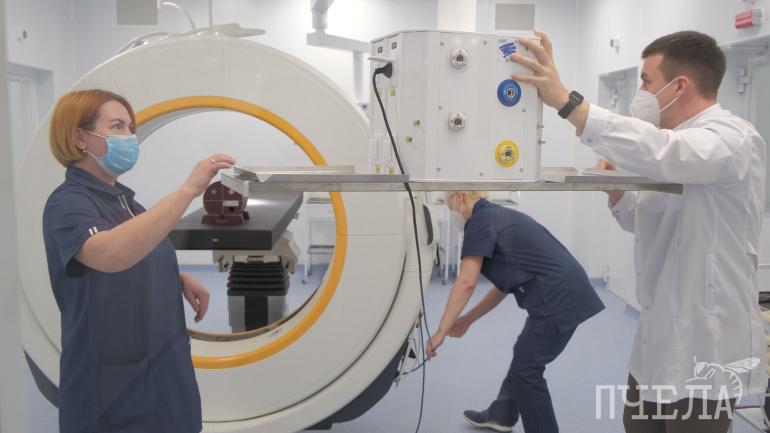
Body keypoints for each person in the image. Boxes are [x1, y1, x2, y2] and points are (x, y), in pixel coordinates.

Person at [510, 30, 767, 432]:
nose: (641, 92)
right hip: (659, 333)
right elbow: (640, 218)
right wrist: (616, 190)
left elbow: (664, 152)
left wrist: (566, 101)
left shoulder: (732, 138)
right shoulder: (673, 145)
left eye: (647, 81)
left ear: (679, 85)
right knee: (638, 425)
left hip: (707, 340)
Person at [42, 89, 236, 433]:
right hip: (111, 389)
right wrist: (188, 190)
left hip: (162, 366)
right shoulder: (68, 204)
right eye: (117, 126)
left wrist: (176, 278)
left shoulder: (124, 200)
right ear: (80, 138)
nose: (129, 136)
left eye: (130, 127)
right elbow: (111, 253)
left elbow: (141, 246)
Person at [428, 191, 605, 433]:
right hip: (563, 290)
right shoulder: (497, 216)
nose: (453, 214)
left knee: (527, 369)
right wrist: (468, 319)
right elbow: (504, 285)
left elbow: (466, 282)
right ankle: (502, 414)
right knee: (524, 352)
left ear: (459, 197)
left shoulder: (479, 221)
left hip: (556, 296)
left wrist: (441, 330)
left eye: (450, 207)